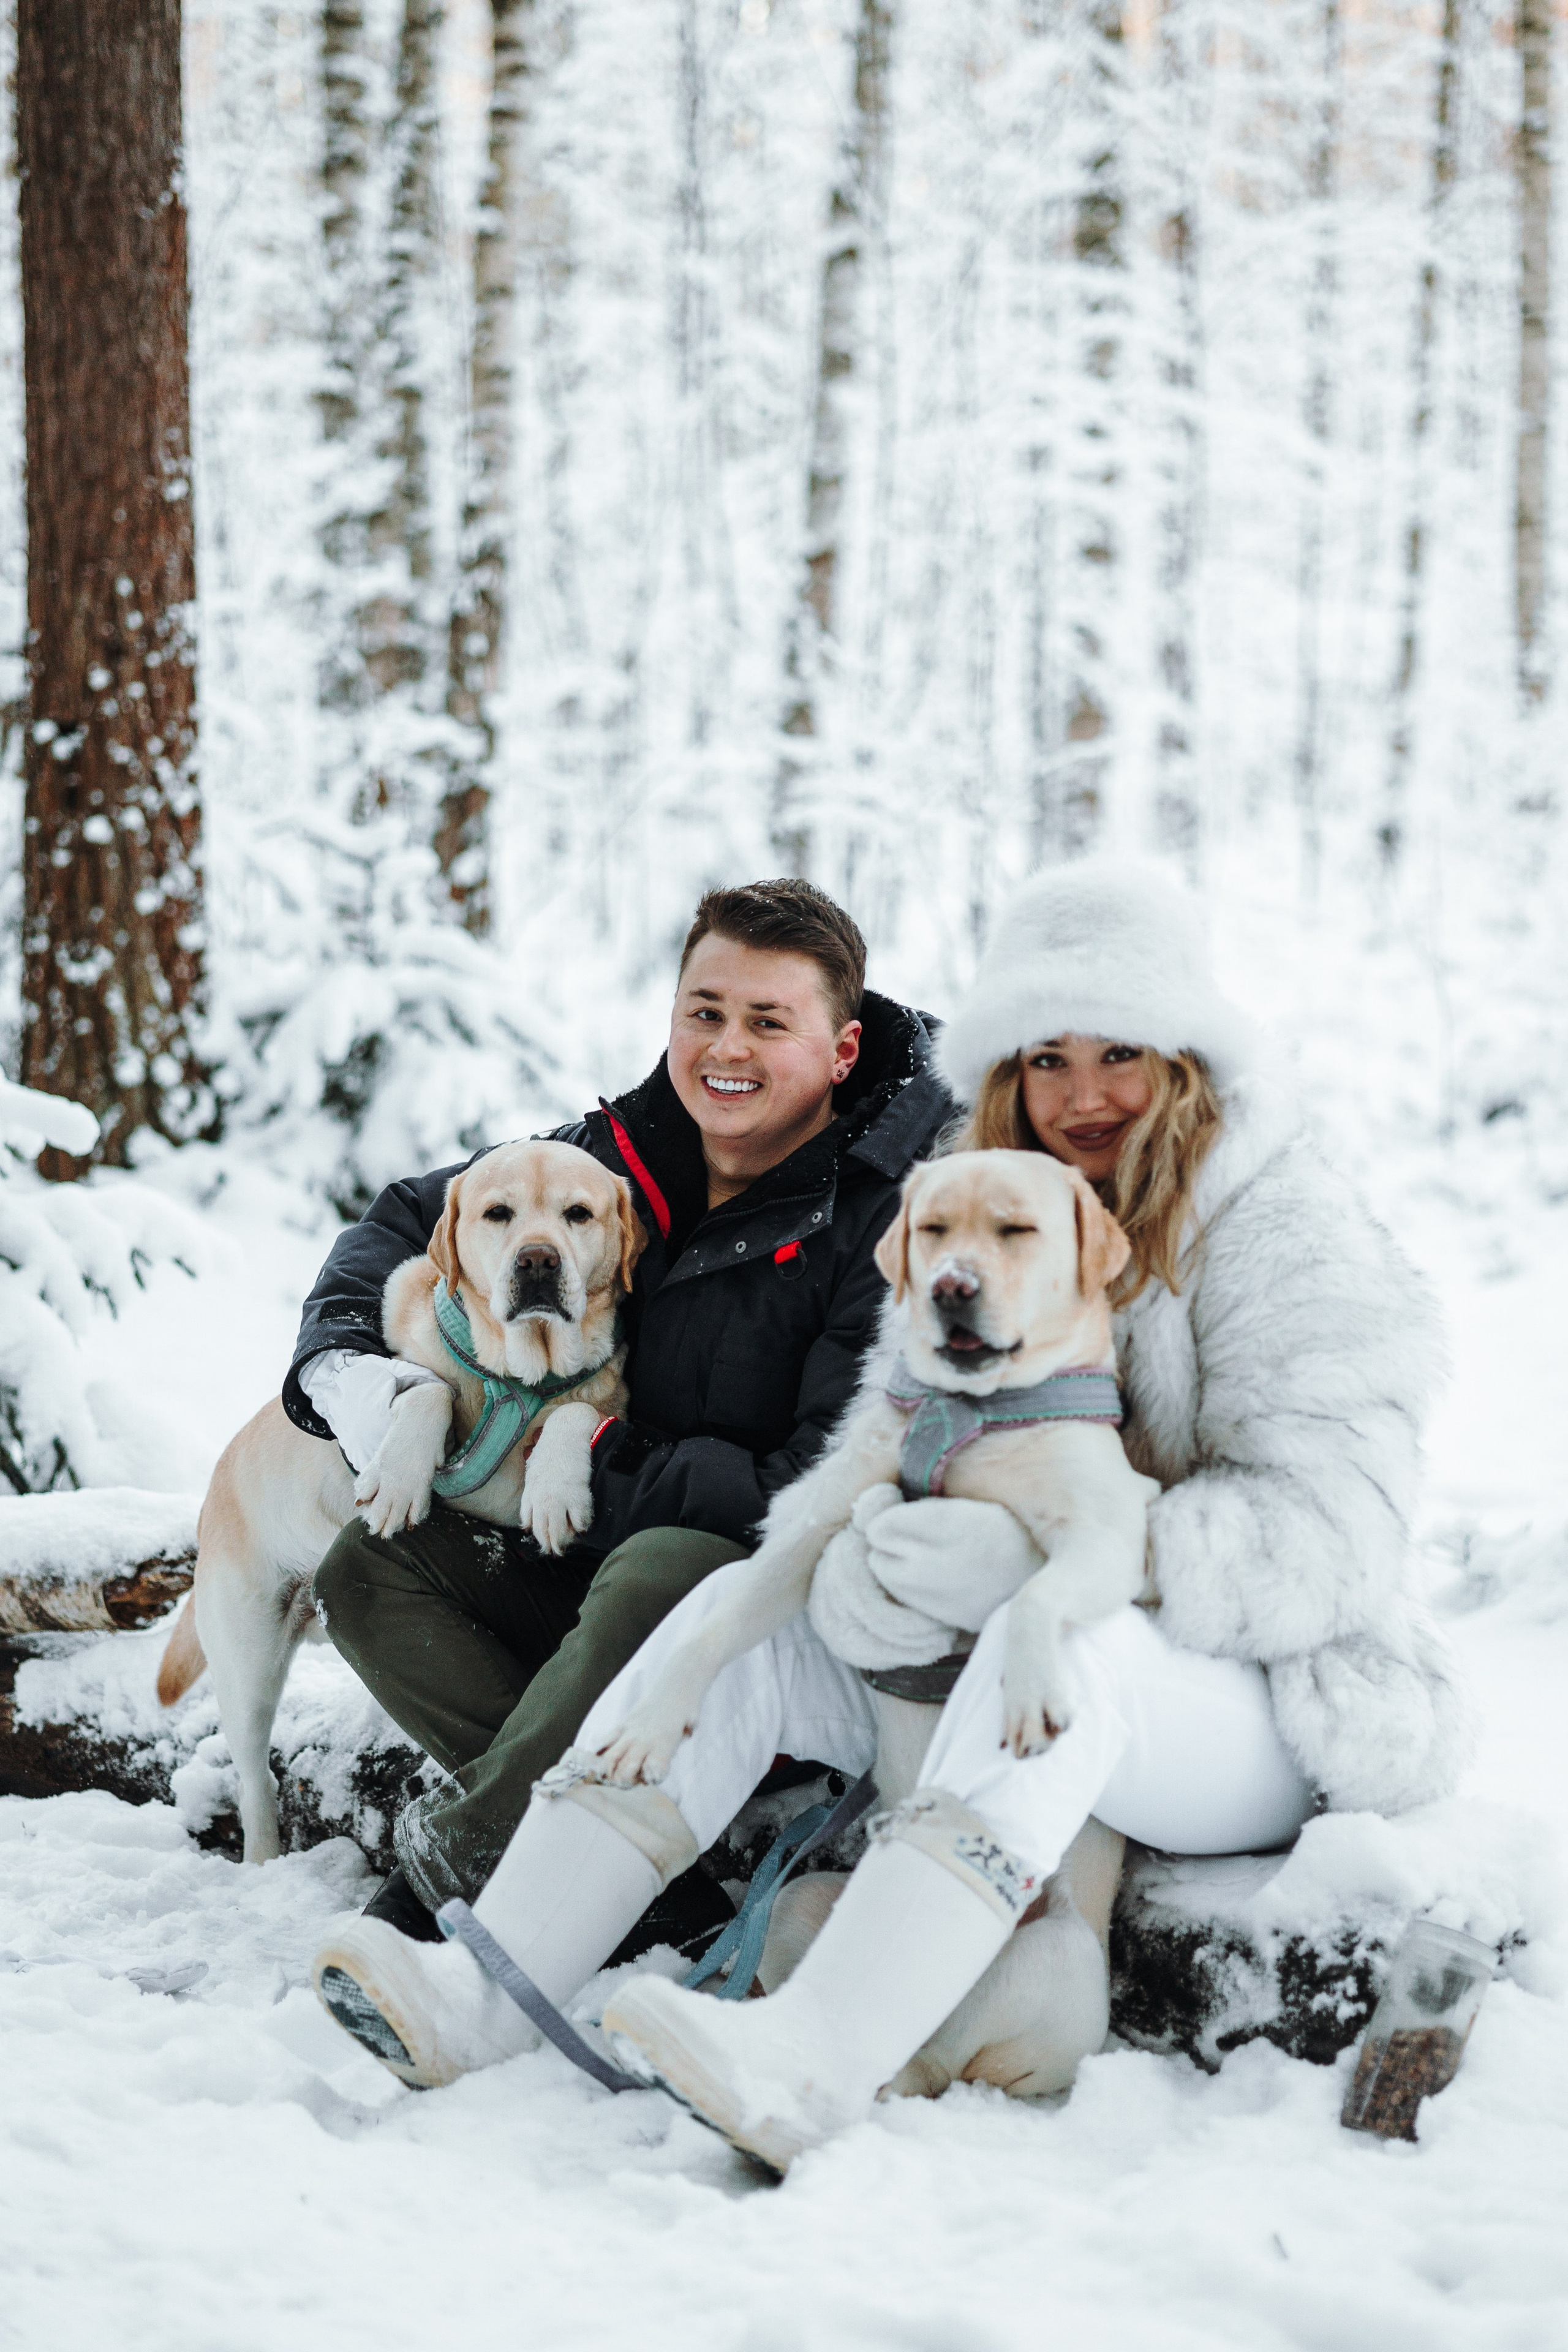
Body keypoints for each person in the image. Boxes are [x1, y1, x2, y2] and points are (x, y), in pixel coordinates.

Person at [312, 859, 1471, 2166]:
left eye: (1118, 1054)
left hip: (1257, 1694)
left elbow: (1335, 1537)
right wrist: (850, 1543)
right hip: (999, 1641)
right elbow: (880, 1437)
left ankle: (810, 2063)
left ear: (1187, 1056)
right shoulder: (973, 1204)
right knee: (731, 1615)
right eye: (1043, 1059)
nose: (1080, 1096)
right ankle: (488, 1991)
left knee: (1076, 1658)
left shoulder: (1280, 1225)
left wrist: (1060, 1555)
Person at [288, 879, 951, 1940]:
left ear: (841, 1050)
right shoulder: (626, 1148)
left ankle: (457, 1868)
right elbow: (413, 1215)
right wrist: (341, 1368)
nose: (725, 1047)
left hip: (762, 1624)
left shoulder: (893, 1216)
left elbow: (817, 1483)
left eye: (768, 1021)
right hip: (593, 1573)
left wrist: (601, 1450)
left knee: (659, 1562)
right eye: (705, 1011)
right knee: (371, 1569)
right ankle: (647, 1887)